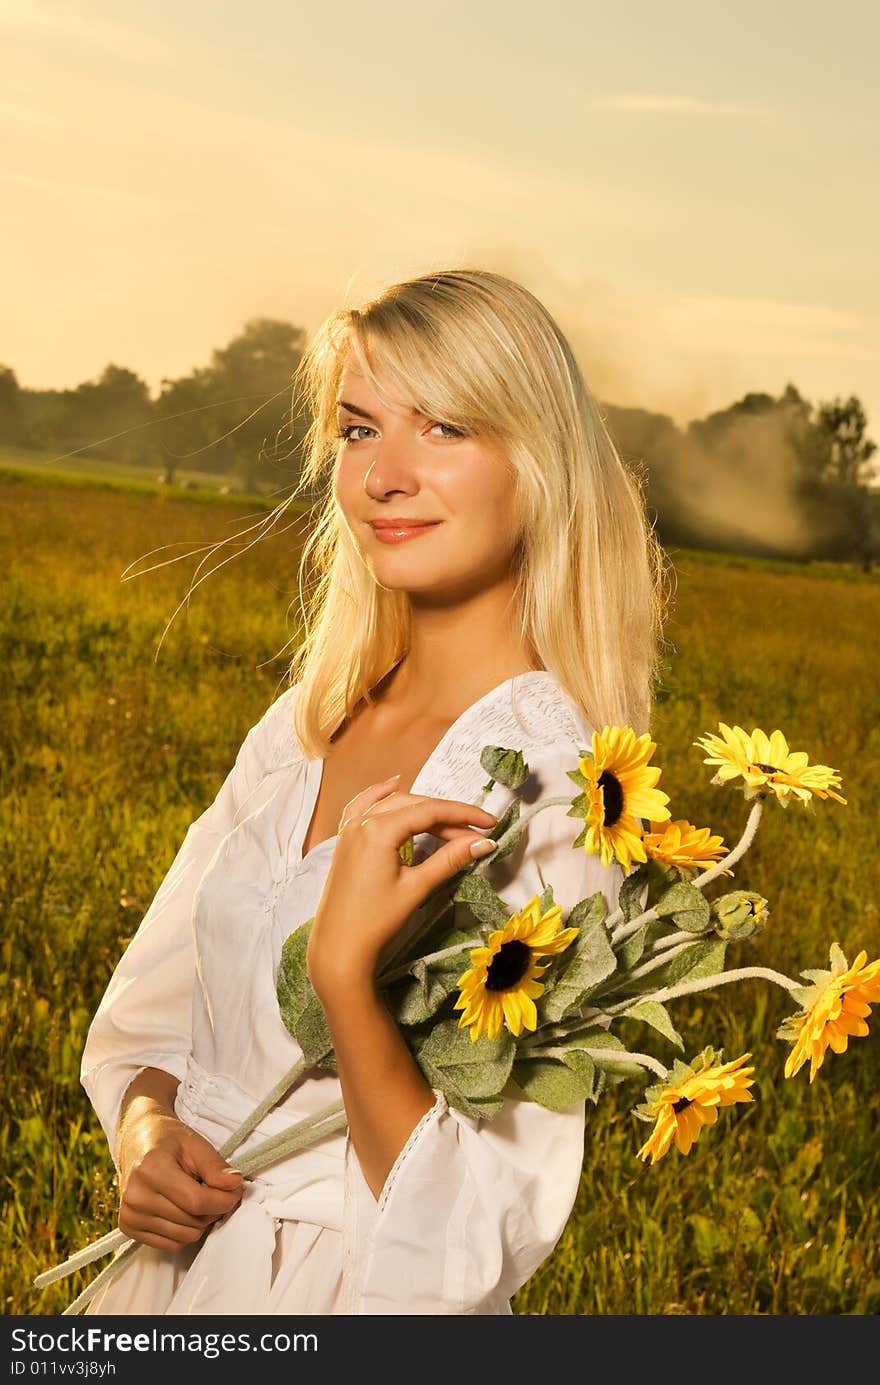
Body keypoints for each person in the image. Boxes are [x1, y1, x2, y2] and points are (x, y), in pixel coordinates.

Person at [79, 267, 669, 1315]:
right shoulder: (309, 721)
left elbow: (471, 1240)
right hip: (170, 1286)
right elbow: (152, 1016)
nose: (384, 474)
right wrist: (148, 1134)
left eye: (443, 426)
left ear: (540, 466)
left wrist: (345, 974)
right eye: (358, 429)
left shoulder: (553, 784)